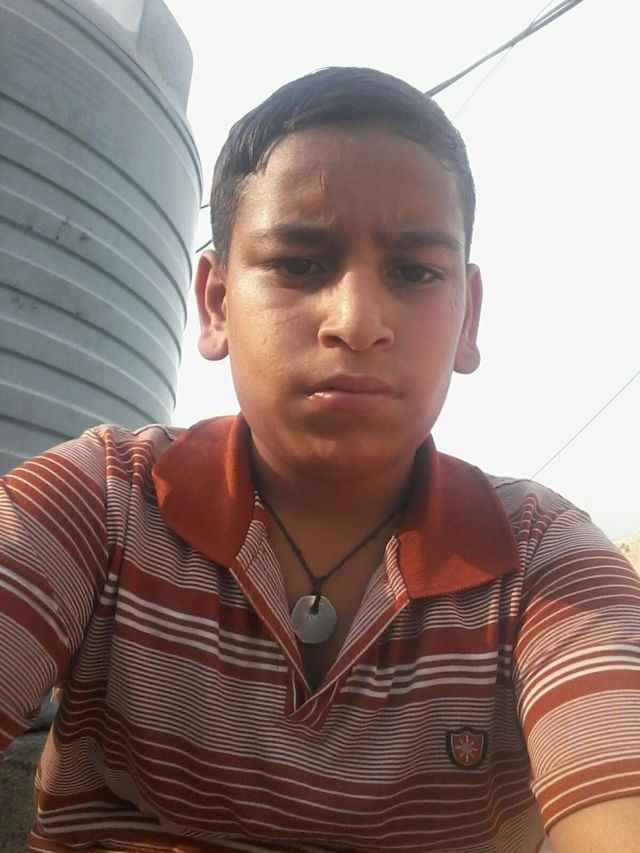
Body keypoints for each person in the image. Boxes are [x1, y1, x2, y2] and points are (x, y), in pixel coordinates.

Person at [1, 67, 639, 853]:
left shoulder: (545, 566)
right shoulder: (98, 508)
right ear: (215, 302)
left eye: (415, 271)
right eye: (300, 263)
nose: (357, 321)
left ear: (468, 318)